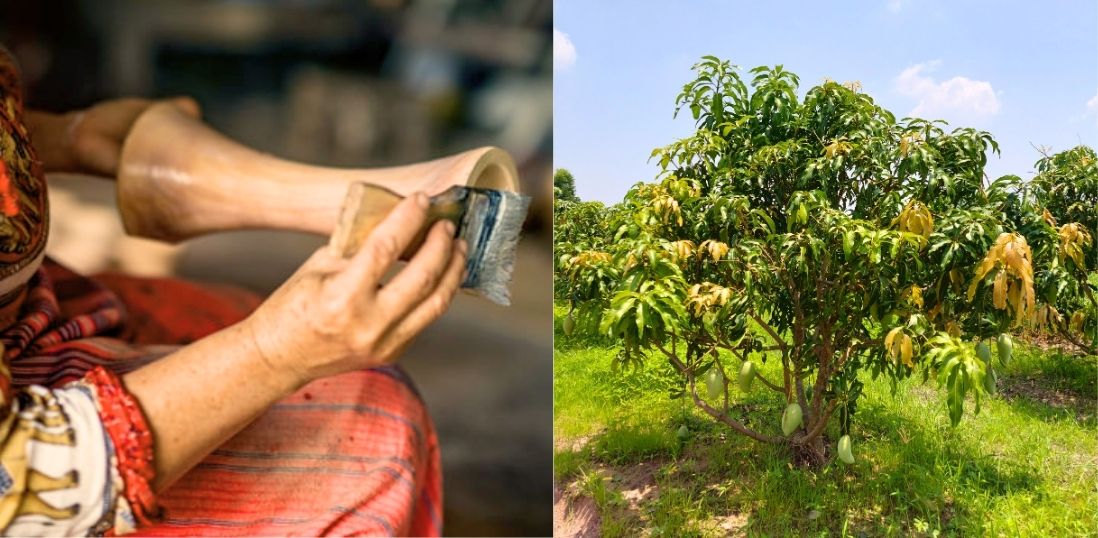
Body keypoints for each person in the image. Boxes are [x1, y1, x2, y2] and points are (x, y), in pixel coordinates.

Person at [0, 46, 461, 535]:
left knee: (226, 312)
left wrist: (61, 137)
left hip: (32, 306)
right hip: (33, 470)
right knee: (373, 419)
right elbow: (18, 478)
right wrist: (269, 354)